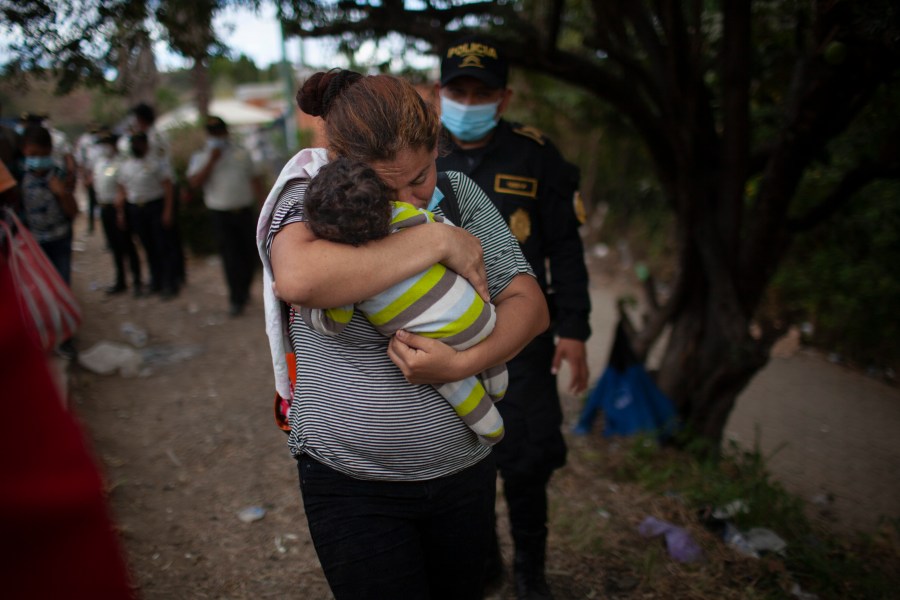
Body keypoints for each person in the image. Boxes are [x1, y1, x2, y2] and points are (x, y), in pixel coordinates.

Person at [257, 69, 549, 599]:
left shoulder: (459, 194)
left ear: (437, 145)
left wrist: (462, 364)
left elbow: (528, 305)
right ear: (342, 166)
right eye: (385, 188)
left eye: (419, 177)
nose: (411, 199)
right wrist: (436, 243)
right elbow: (299, 278)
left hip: (464, 473)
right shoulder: (314, 198)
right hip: (349, 484)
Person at [435, 34, 592, 599]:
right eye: (459, 90)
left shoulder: (536, 154)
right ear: (439, 92)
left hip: (520, 338)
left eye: (483, 92)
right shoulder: (418, 155)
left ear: (503, 99)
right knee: (461, 461)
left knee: (524, 461)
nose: (469, 102)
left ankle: (531, 572)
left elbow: (566, 249)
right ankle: (485, 564)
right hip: (444, 340)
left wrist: (573, 328)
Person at [301, 156, 507, 446]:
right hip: (483, 314)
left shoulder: (349, 274)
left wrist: (305, 307)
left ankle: (491, 428)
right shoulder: (403, 214)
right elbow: (440, 224)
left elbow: (334, 322)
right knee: (473, 330)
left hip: (441, 341)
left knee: (442, 374)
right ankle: (498, 382)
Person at [187, 115, 264, 316]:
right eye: (213, 133)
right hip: (221, 214)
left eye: (219, 132)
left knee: (248, 255)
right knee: (230, 257)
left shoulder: (242, 153)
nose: (217, 136)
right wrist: (211, 161)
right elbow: (194, 183)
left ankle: (245, 290)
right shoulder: (201, 156)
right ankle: (235, 298)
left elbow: (255, 180)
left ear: (226, 132)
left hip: (244, 212)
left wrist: (264, 208)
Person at [115, 132, 177, 299]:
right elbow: (122, 188)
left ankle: (169, 283)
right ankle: (155, 281)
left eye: (139, 143)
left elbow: (168, 187)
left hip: (155, 206)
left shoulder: (156, 163)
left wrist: (167, 211)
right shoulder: (126, 165)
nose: (136, 146)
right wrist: (121, 212)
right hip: (136, 209)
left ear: (145, 144)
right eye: (134, 143)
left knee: (162, 246)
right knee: (147, 246)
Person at [20, 124, 79, 284]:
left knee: (61, 282)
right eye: (33, 154)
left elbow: (73, 211)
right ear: (24, 150)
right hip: (34, 243)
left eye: (43, 154)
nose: (38, 159)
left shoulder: (59, 174)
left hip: (60, 238)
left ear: (50, 150)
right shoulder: (20, 177)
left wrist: (62, 194)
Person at [92, 131, 142, 296]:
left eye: (108, 144)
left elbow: (124, 187)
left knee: (127, 245)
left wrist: (120, 211)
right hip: (105, 208)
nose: (105, 148)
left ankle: (137, 281)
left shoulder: (122, 163)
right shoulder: (100, 164)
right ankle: (120, 280)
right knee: (114, 246)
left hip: (119, 209)